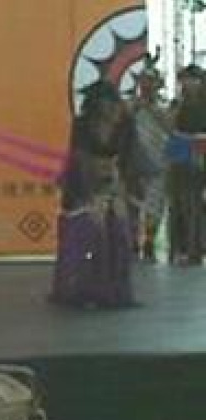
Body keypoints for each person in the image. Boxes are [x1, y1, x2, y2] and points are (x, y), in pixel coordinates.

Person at [50, 81, 137, 309]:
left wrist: (119, 191)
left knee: (118, 234)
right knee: (87, 235)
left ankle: (114, 291)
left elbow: (129, 160)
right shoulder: (82, 125)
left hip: (115, 183)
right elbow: (79, 160)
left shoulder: (126, 124)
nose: (111, 109)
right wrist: (91, 198)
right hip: (83, 184)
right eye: (105, 104)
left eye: (113, 103)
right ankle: (81, 290)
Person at [124, 52, 171, 261]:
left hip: (159, 161)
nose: (147, 86)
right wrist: (137, 106)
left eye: (151, 82)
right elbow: (121, 121)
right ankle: (133, 241)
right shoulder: (130, 104)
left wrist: (152, 108)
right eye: (144, 81)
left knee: (155, 205)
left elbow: (171, 127)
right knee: (132, 203)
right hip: (133, 162)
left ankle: (149, 242)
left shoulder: (164, 106)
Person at [166, 64, 206, 265]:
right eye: (185, 80)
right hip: (179, 154)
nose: (188, 84)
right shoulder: (178, 104)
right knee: (178, 203)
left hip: (199, 154)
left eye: (192, 80)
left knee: (194, 203)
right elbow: (169, 126)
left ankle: (194, 247)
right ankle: (178, 247)